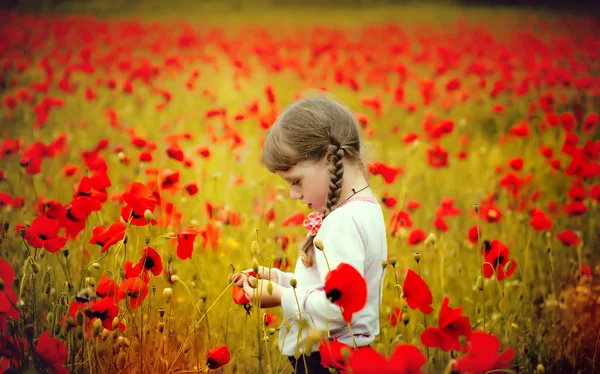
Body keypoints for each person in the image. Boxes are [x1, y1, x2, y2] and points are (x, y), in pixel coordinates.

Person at [234, 95, 388, 373]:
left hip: (327, 358)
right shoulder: (365, 208)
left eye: (296, 181)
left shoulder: (343, 222)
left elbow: (339, 309)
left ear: (330, 159)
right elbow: (332, 288)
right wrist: (278, 281)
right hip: (344, 354)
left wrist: (281, 296)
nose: (294, 194)